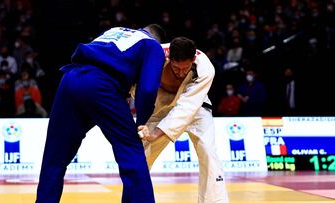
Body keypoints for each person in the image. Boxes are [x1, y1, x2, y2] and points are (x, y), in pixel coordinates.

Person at [35, 24, 166, 203]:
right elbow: (149, 89)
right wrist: (141, 122)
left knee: (55, 156)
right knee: (131, 150)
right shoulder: (153, 45)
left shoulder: (115, 30)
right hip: (101, 86)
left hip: (70, 78)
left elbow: (109, 57)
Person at [137, 37, 229, 203]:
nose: (180, 72)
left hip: (196, 107)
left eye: (184, 68)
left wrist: (157, 132)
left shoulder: (205, 68)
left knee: (208, 151)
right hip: (160, 106)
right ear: (169, 58)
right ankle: (137, 199)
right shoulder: (154, 55)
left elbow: (187, 108)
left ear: (193, 59)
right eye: (175, 68)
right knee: (141, 154)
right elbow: (137, 86)